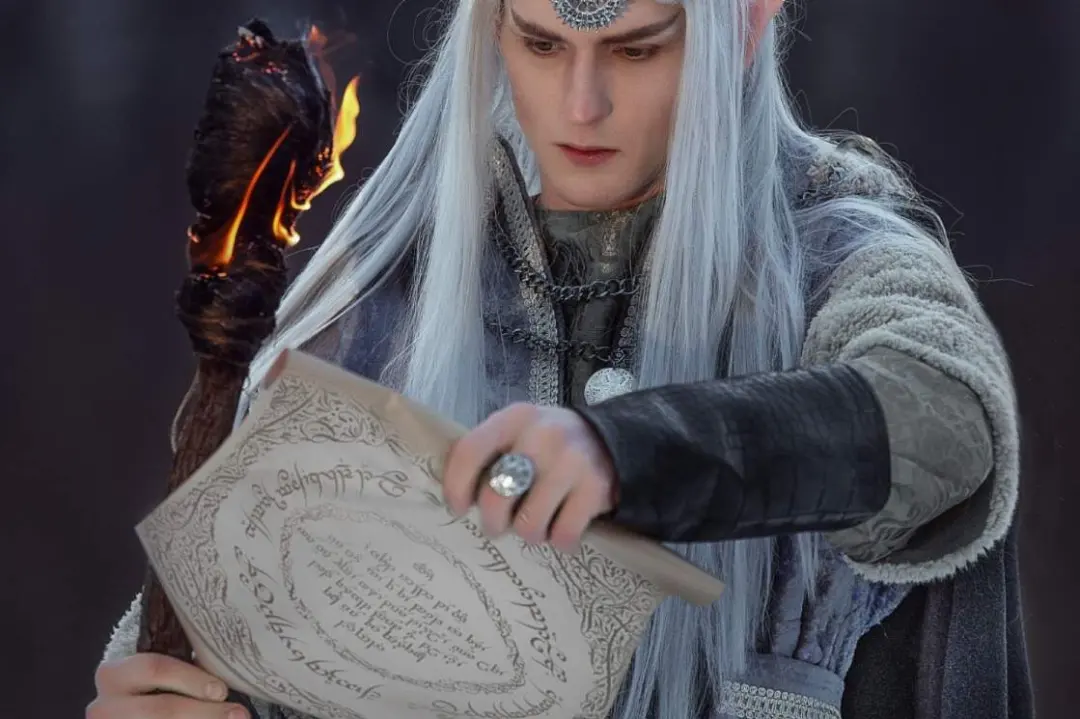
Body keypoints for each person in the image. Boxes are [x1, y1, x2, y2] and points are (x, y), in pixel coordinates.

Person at [88, 0, 1033, 718]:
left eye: (638, 48)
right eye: (541, 45)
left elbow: (945, 421)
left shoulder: (847, 262)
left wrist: (632, 453)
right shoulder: (377, 311)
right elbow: (220, 645)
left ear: (745, 24)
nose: (582, 104)